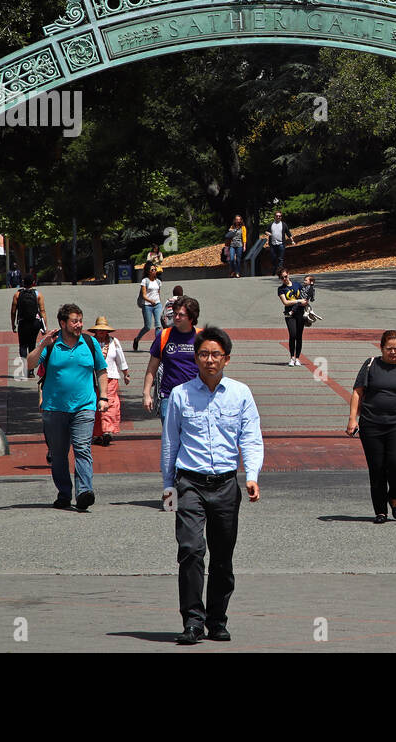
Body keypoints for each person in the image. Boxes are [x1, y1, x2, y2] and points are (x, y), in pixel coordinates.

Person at [161, 325, 263, 644]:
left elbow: (251, 437)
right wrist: (168, 486)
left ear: (226, 359)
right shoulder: (180, 395)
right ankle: (193, 620)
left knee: (222, 556)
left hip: (226, 485)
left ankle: (217, 618)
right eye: (203, 354)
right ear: (196, 358)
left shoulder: (241, 393)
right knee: (191, 550)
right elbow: (170, 442)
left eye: (215, 354)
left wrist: (252, 476)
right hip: (188, 482)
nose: (209, 359)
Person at [26, 303, 109, 511]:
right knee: (59, 454)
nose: (79, 325)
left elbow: (101, 370)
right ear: (63, 323)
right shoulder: (52, 345)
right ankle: (64, 493)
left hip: (85, 406)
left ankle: (84, 492)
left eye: (80, 320)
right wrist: (42, 345)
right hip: (55, 408)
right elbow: (29, 364)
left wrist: (104, 397)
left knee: (82, 448)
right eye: (74, 321)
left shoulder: (90, 343)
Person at [347, 330, 396, 524]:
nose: (393, 352)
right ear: (381, 348)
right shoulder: (370, 365)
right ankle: (380, 511)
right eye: (389, 349)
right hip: (371, 424)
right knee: (377, 468)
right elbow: (357, 392)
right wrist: (352, 419)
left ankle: (394, 497)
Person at [143, 296, 202, 427]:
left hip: (195, 396)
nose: (176, 318)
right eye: (175, 314)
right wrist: (146, 394)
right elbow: (151, 369)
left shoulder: (201, 337)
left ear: (191, 317)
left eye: (181, 315)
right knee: (171, 441)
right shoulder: (164, 336)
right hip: (169, 396)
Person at [88, 316, 130, 447]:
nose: (101, 332)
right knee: (94, 405)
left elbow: (120, 359)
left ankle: (107, 431)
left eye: (103, 330)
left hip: (111, 377)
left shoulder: (114, 342)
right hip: (93, 378)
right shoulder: (90, 342)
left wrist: (126, 374)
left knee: (110, 403)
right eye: (99, 330)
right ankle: (98, 433)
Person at [10, 274, 46, 374]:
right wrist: (44, 326)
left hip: (22, 322)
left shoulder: (17, 294)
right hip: (35, 323)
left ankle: (24, 368)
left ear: (23, 282)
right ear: (33, 283)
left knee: (22, 345)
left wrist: (13, 324)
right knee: (32, 345)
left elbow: (13, 311)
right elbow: (42, 310)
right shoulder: (38, 294)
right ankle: (31, 370)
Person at [277, 268, 309, 366]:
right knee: (293, 334)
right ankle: (292, 357)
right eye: (282, 278)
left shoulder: (297, 285)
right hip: (289, 314)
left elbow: (305, 296)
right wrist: (298, 301)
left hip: (300, 313)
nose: (285, 279)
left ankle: (298, 358)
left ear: (289, 275)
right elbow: (286, 302)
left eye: (285, 276)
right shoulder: (281, 289)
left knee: (299, 336)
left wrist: (305, 301)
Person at [133, 264, 164, 352]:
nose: (154, 271)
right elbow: (144, 295)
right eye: (152, 270)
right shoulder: (145, 281)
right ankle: (137, 339)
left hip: (157, 305)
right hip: (147, 305)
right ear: (148, 272)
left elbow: (158, 293)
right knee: (147, 326)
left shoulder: (158, 282)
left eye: (155, 270)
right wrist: (151, 301)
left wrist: (158, 302)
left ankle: (158, 345)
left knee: (158, 325)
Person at [266, 211, 294, 276]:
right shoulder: (271, 224)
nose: (278, 217)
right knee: (274, 258)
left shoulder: (283, 224)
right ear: (274, 217)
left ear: (281, 217)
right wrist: (268, 233)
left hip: (281, 244)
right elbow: (266, 231)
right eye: (277, 216)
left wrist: (292, 240)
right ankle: (274, 270)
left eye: (280, 216)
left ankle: (280, 272)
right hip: (273, 244)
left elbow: (288, 233)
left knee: (280, 258)